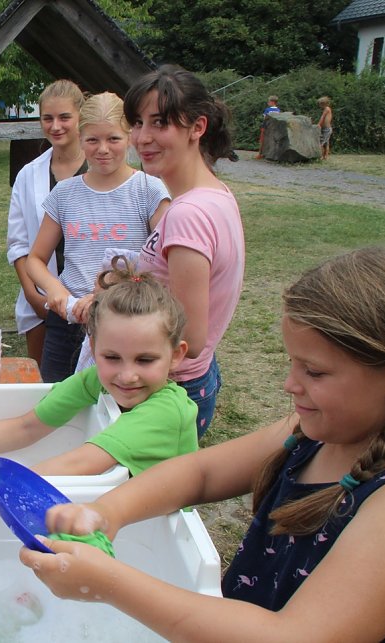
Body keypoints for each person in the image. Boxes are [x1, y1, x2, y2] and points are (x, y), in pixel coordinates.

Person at [21, 247, 385, 642]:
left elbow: (297, 636)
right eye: (292, 363)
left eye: (315, 372)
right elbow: (199, 473)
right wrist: (106, 512)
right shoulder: (309, 434)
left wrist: (109, 583)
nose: (290, 384)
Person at [0, 256, 197, 478]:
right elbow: (26, 427)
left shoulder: (166, 411)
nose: (127, 375)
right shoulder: (96, 380)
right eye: (112, 357)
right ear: (94, 347)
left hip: (159, 531)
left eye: (145, 360)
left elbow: (82, 462)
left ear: (175, 355)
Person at [125, 64, 245, 438]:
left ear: (198, 127)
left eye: (160, 123)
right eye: (138, 123)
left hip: (171, 386)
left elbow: (189, 336)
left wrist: (111, 302)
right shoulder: (215, 195)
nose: (143, 137)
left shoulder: (187, 214)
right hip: (196, 378)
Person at [25, 91, 170, 382]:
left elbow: (165, 262)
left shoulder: (149, 191)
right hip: (69, 320)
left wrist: (106, 294)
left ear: (129, 137)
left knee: (115, 398)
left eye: (113, 138)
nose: (103, 149)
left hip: (126, 320)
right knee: (57, 396)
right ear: (80, 139)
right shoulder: (65, 193)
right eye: (92, 140)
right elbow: (36, 259)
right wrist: (55, 291)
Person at [6, 79, 86, 367]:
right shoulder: (29, 175)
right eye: (47, 118)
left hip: (91, 296)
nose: (56, 126)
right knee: (45, 380)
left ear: (80, 117)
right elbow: (18, 244)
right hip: (42, 298)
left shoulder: (100, 168)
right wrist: (32, 295)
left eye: (64, 117)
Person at [255, 95, 280, 160]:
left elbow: (265, 118)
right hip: (274, 127)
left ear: (272, 102)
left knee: (262, 140)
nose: (268, 103)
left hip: (265, 126)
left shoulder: (268, 110)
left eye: (269, 101)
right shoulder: (278, 110)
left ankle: (260, 154)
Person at [318, 96, 333, 161]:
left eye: (320, 104)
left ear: (324, 104)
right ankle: (325, 157)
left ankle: (321, 156)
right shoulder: (326, 109)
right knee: (326, 143)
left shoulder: (327, 109)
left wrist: (318, 125)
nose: (319, 106)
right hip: (325, 129)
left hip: (327, 129)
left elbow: (323, 117)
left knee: (321, 143)